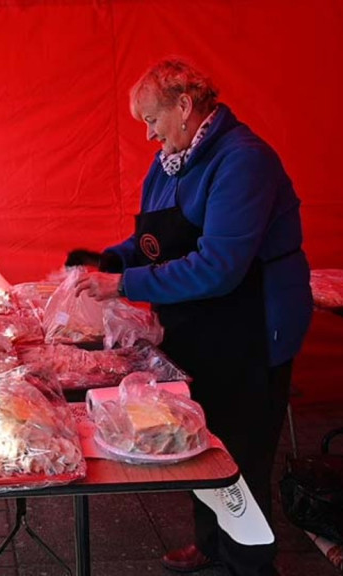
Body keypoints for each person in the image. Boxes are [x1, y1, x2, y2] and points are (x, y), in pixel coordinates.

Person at [73, 58, 313, 576]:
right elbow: (152, 240)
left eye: (151, 118)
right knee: (196, 440)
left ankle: (250, 563)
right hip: (197, 325)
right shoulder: (170, 160)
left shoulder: (243, 160)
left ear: (185, 106)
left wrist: (126, 284)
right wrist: (111, 260)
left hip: (250, 327)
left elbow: (220, 266)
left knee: (240, 453)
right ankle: (211, 543)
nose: (147, 133)